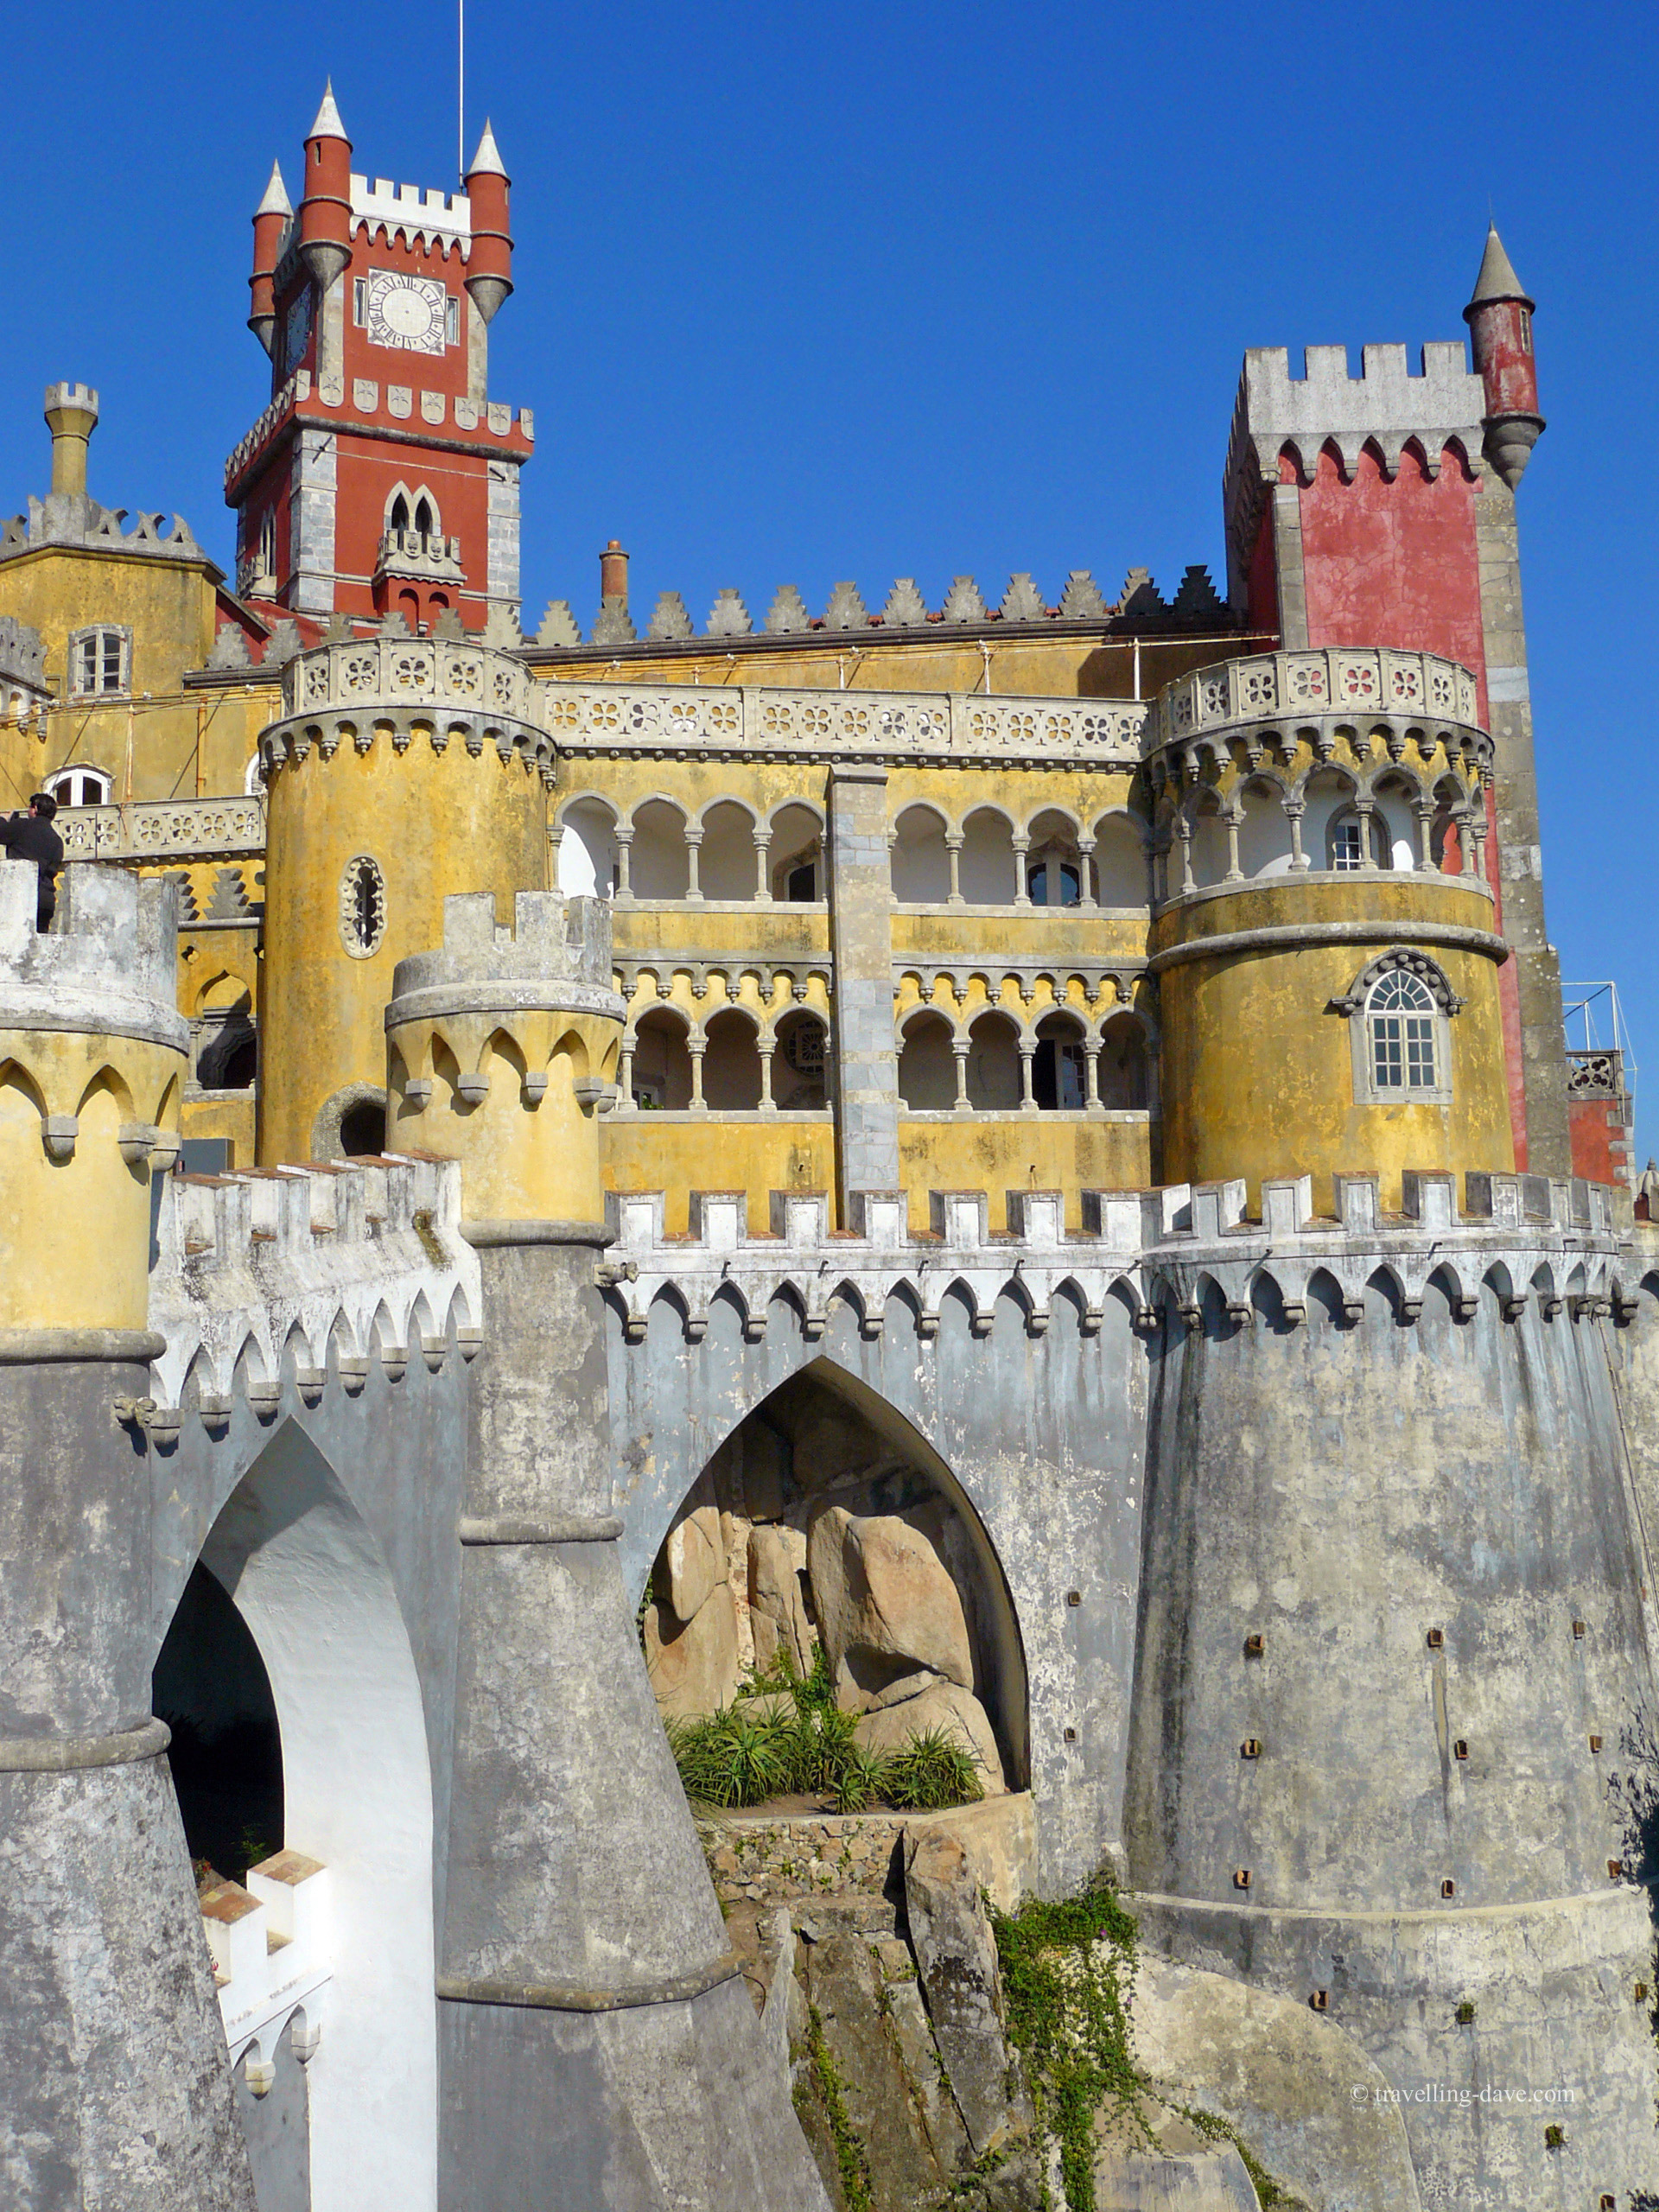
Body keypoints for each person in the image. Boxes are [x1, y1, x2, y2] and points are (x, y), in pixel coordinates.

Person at [0, 792, 66, 931]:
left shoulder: (23, 826)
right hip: (45, 900)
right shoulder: (57, 840)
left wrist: (3, 819)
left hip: (21, 895)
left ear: (35, 808)